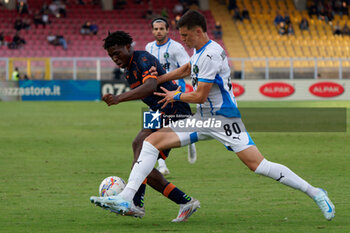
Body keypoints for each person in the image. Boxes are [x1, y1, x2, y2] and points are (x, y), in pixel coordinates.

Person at [90, 10, 335, 222]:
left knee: (259, 165)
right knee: (149, 143)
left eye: (185, 35)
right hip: (202, 119)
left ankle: (316, 193)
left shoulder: (210, 54)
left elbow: (199, 95)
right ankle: (126, 199)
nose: (182, 40)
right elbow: (186, 69)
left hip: (224, 119)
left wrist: (174, 96)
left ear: (198, 31)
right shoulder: (198, 52)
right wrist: (159, 82)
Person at [90, 31, 200, 222]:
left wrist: (117, 98)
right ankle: (181, 202)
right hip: (158, 111)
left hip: (174, 108)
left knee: (142, 155)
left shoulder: (143, 59)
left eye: (117, 53)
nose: (115, 59)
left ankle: (136, 203)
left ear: (128, 46)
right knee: (140, 155)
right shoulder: (128, 69)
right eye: (111, 56)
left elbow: (149, 86)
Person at [145, 17, 197, 176]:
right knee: (152, 129)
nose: (158, 31)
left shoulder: (176, 48)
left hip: (173, 94)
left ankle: (191, 138)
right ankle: (161, 165)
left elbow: (188, 68)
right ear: (152, 30)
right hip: (154, 94)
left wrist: (179, 92)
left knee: (173, 128)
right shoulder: (148, 47)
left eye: (161, 28)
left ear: (167, 30)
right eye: (156, 29)